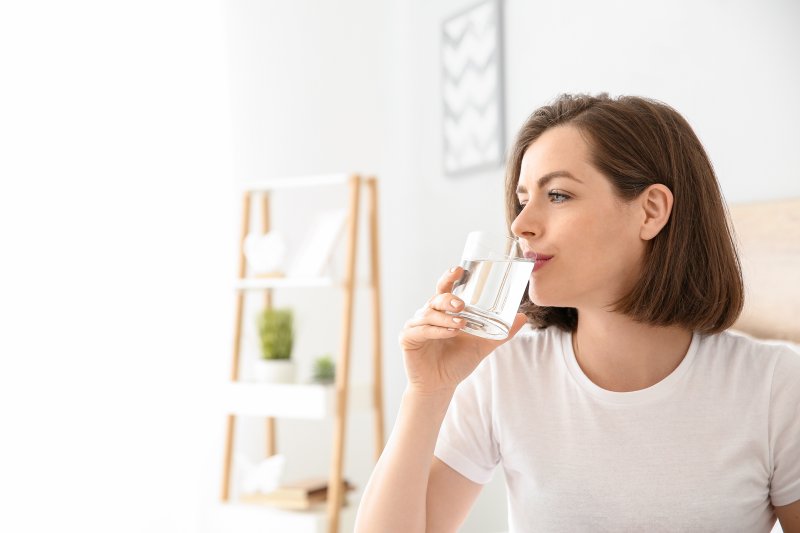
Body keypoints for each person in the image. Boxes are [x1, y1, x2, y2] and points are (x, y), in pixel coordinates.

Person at [354, 93, 800, 532]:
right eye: (523, 197)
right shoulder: (505, 373)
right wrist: (427, 393)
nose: (519, 224)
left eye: (559, 195)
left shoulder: (774, 386)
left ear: (651, 211)